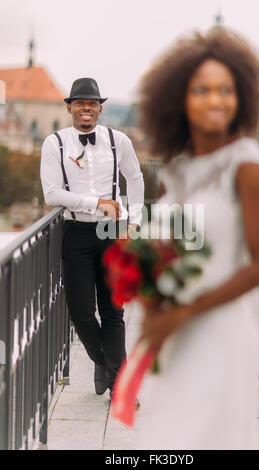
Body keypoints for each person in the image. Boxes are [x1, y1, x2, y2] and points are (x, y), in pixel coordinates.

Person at [136, 28, 259, 449]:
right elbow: (164, 250)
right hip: (173, 335)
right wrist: (153, 303)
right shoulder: (176, 173)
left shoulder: (246, 165)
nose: (215, 100)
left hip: (219, 331)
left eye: (225, 90)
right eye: (202, 89)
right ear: (179, 97)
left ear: (241, 98)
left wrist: (186, 311)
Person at [40, 77, 144, 398]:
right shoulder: (55, 143)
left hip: (111, 231)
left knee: (113, 310)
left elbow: (135, 178)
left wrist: (135, 221)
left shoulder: (119, 140)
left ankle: (120, 383)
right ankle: (108, 364)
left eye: (93, 103)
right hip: (76, 231)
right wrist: (95, 203)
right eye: (81, 103)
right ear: (70, 107)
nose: (87, 108)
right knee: (82, 311)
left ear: (100, 108)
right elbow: (52, 193)